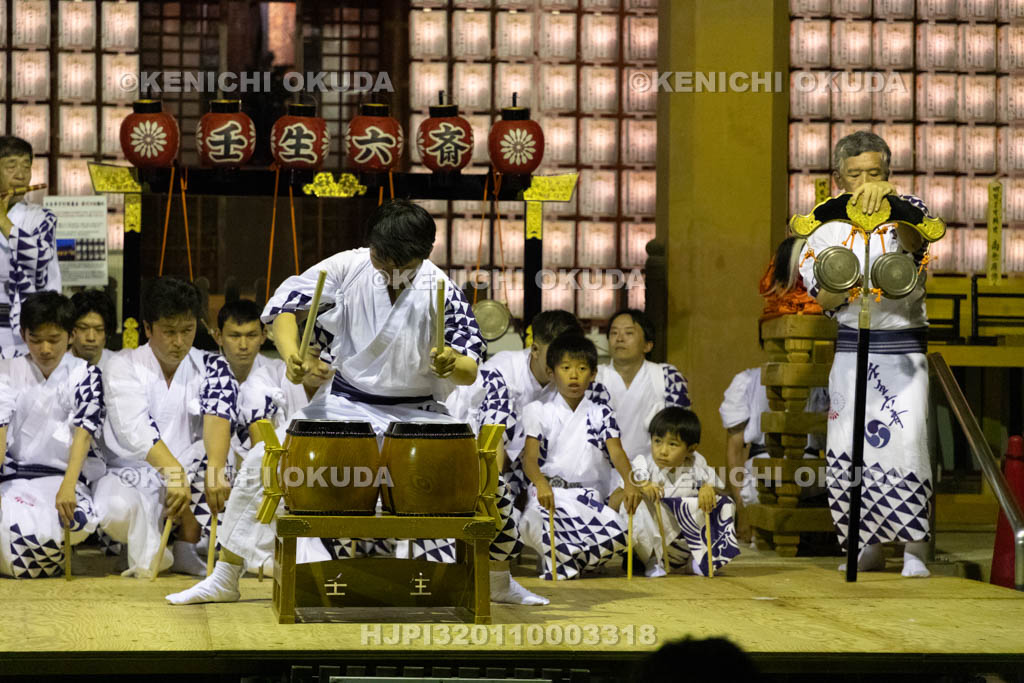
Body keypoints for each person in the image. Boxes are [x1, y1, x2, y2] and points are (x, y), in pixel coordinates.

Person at [167, 198, 485, 604]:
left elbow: (470, 368)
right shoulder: (348, 267)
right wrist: (292, 356)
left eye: (396, 265)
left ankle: (493, 576)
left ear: (422, 257)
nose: (384, 270)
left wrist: (450, 364)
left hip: (417, 412)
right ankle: (226, 576)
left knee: (479, 477)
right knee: (263, 462)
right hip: (346, 405)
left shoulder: (441, 289)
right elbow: (283, 310)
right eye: (379, 258)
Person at [797, 130, 933, 578]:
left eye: (874, 172)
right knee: (847, 449)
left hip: (901, 349)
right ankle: (863, 543)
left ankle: (915, 548)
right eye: (854, 174)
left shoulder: (912, 212)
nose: (864, 181)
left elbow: (919, 248)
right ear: (838, 177)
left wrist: (895, 208)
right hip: (853, 348)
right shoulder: (825, 223)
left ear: (888, 173)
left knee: (907, 443)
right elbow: (826, 299)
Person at [99, 277, 236, 577]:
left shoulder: (213, 365)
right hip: (132, 472)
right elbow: (134, 427)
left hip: (188, 469)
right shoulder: (121, 365)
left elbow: (218, 416)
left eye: (187, 331)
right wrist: (172, 472)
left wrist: (215, 468)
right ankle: (141, 550)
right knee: (114, 509)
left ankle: (188, 543)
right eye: (169, 332)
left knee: (221, 464)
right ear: (148, 328)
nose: (179, 342)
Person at [518, 334, 643, 580]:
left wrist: (630, 482)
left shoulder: (601, 413)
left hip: (588, 498)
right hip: (550, 496)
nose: (574, 375)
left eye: (582, 368)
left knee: (620, 535)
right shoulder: (538, 411)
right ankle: (567, 560)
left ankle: (566, 560)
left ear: (593, 374)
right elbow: (529, 459)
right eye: (565, 368)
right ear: (551, 373)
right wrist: (541, 483)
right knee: (538, 521)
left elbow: (616, 451)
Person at [0, 292, 103, 577]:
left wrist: (69, 485)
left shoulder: (86, 375)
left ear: (70, 336)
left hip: (62, 478)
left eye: (54, 339)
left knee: (78, 520)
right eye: (35, 339)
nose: (44, 348)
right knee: (12, 525)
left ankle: (15, 560)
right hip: (12, 478)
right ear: (22, 334)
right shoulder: (6, 369)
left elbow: (84, 433)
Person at [611, 407, 739, 577]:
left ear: (691, 449)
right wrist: (639, 487)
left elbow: (716, 487)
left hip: (684, 547)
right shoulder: (642, 464)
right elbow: (613, 502)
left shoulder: (696, 463)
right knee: (638, 503)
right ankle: (653, 561)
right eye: (657, 441)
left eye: (672, 444)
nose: (663, 451)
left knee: (724, 504)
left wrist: (708, 489)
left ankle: (698, 561)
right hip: (648, 548)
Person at [596, 308, 690, 460]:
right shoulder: (595, 377)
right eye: (614, 333)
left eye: (629, 333)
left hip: (655, 470)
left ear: (647, 345)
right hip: (602, 471)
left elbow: (682, 431)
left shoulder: (667, 377)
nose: (619, 339)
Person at [0, 136, 60, 359]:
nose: (21, 174)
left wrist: (3, 221)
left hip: (29, 330)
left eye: (27, 166)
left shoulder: (42, 217)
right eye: (11, 165)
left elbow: (38, 258)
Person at [69, 289, 117, 369]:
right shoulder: (58, 366)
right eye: (83, 328)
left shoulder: (119, 365)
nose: (91, 338)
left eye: (99, 329)